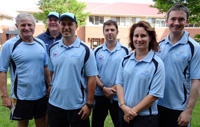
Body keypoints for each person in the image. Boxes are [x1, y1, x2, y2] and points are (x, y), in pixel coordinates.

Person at [47, 12, 98, 127]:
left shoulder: (85, 50)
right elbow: (51, 71)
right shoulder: (52, 48)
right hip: (55, 104)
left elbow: (91, 78)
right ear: (59, 26)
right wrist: (51, 85)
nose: (66, 27)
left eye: (70, 24)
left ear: (76, 26)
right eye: (63, 24)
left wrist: (89, 104)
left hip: (78, 106)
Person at [0, 13, 49, 127]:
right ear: (17, 26)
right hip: (21, 96)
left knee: (42, 123)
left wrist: (50, 84)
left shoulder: (40, 44)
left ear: (34, 26)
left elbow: (45, 67)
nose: (27, 28)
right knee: (22, 124)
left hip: (41, 94)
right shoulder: (9, 45)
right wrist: (4, 96)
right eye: (23, 25)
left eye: (29, 25)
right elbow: (2, 71)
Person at [156, 4, 200, 127]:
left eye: (181, 19)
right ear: (166, 21)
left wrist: (188, 111)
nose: (176, 22)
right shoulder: (159, 46)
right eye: (173, 19)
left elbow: (196, 81)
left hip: (178, 108)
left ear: (187, 21)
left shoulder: (194, 47)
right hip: (155, 105)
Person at [116, 21, 165, 127]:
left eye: (143, 36)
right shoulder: (125, 60)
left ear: (150, 38)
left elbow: (154, 95)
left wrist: (132, 112)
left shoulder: (157, 64)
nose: (139, 39)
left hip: (145, 119)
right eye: (136, 36)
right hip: (124, 113)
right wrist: (123, 106)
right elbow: (119, 84)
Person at [92, 19, 130, 127]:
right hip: (100, 95)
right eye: (107, 30)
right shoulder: (96, 51)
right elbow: (93, 73)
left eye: (112, 30)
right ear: (103, 32)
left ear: (117, 32)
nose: (110, 32)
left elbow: (126, 73)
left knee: (120, 123)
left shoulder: (125, 51)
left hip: (118, 96)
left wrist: (114, 88)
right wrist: (103, 88)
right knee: (97, 123)